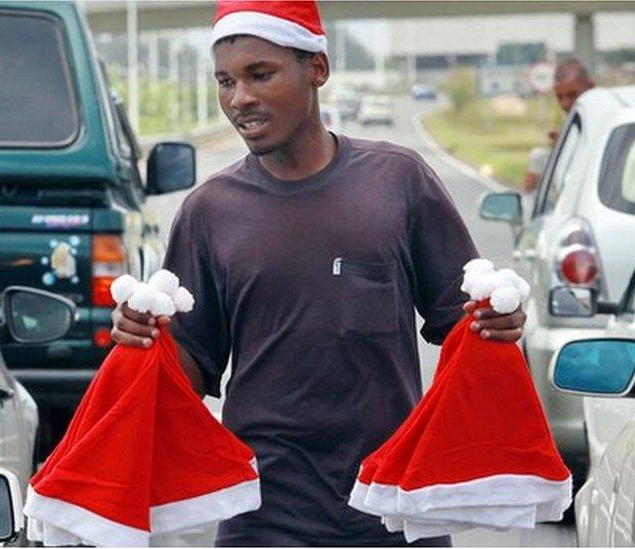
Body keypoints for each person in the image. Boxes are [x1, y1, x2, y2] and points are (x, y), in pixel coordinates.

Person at [111, 1, 528, 545]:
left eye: (261, 75)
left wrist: (500, 320)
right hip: (263, 515)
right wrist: (143, 339)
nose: (241, 99)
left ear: (317, 70)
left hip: (389, 510)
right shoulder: (208, 211)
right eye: (225, 82)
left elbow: (465, 325)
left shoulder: (398, 182)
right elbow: (189, 367)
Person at [522, 58, 594, 193]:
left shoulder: (609, 123)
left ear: (591, 87)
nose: (565, 104)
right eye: (559, 97)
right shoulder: (572, 124)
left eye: (573, 95)